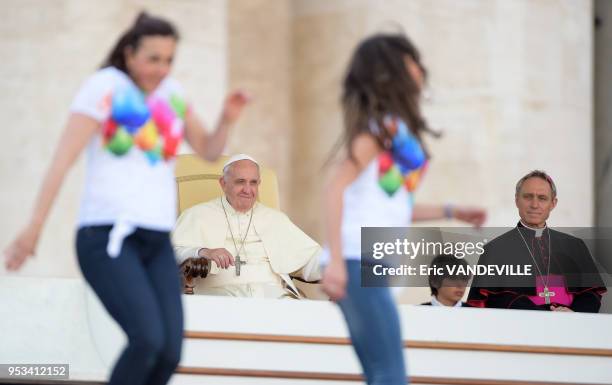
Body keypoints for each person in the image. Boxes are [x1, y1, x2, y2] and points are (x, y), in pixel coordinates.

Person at [3, 12, 249, 385]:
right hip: (108, 238)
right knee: (147, 341)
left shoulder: (173, 94)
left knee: (169, 352)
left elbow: (209, 150)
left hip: (156, 243)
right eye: (153, 58)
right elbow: (61, 161)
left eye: (168, 60)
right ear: (130, 53)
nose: (161, 68)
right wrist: (33, 228)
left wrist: (228, 119)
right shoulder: (105, 87)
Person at [320, 33, 486, 385]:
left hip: (373, 263)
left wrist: (454, 210)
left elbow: (394, 207)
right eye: (410, 60)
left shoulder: (398, 129)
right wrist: (335, 260)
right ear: (393, 70)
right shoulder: (380, 130)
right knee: (391, 377)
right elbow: (334, 187)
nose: (419, 67)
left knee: (380, 375)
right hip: (356, 261)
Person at [172, 154, 321, 298]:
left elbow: (310, 259)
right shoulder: (197, 215)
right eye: (240, 182)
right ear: (223, 183)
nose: (247, 190)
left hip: (274, 296)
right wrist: (203, 252)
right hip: (219, 297)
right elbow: (171, 252)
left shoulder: (276, 219)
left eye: (253, 182)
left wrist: (337, 268)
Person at [467, 170, 607, 312]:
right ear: (517, 200)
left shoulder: (574, 246)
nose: (534, 205)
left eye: (542, 198)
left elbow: (591, 294)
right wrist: (543, 314)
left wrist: (573, 314)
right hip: (519, 329)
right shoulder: (495, 249)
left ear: (553, 203)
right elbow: (491, 300)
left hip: (571, 326)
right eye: (528, 197)